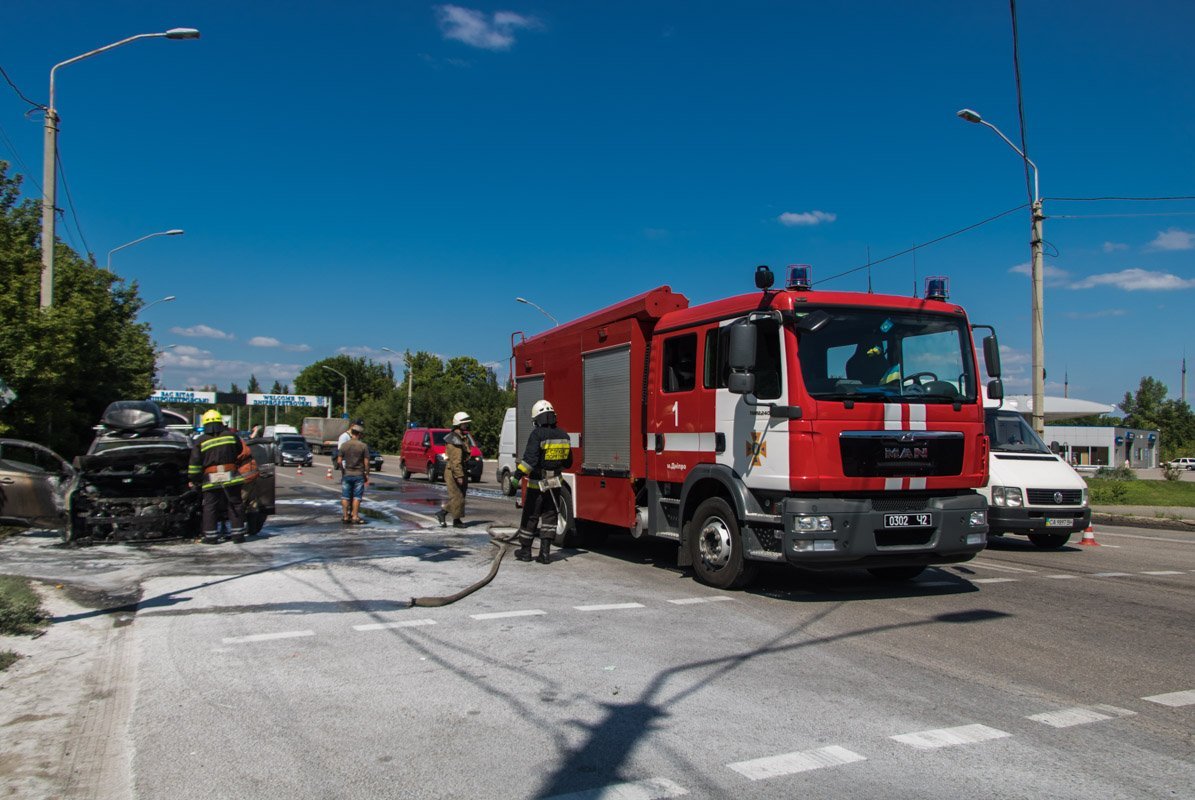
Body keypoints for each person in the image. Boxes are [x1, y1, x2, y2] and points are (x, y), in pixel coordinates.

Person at [514, 399, 573, 564]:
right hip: (555, 483)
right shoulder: (564, 435)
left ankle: (525, 551)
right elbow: (568, 463)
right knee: (550, 515)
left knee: (531, 516)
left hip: (537, 484)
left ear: (538, 418)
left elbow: (529, 461)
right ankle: (545, 554)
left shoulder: (537, 434)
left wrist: (516, 476)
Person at [188, 409, 252, 544]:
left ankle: (211, 537)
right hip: (231, 474)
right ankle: (238, 535)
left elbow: (194, 464)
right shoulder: (231, 436)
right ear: (220, 422)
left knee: (210, 506)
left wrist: (195, 480)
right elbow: (240, 452)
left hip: (210, 477)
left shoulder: (200, 441)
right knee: (235, 503)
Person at [436, 412, 472, 529]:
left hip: (460, 470)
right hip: (453, 471)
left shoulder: (461, 436)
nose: (466, 425)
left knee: (460, 496)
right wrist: (459, 476)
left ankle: (452, 518)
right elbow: (456, 460)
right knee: (457, 497)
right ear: (458, 424)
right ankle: (447, 515)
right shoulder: (454, 439)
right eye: (464, 423)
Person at [337, 423, 370, 524]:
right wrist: (367, 473)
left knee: (345, 496)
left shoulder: (344, 445)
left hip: (347, 473)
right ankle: (355, 516)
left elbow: (339, 461)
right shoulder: (363, 446)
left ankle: (346, 516)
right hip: (358, 474)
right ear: (359, 434)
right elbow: (366, 462)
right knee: (357, 497)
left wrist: (343, 470)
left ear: (352, 433)